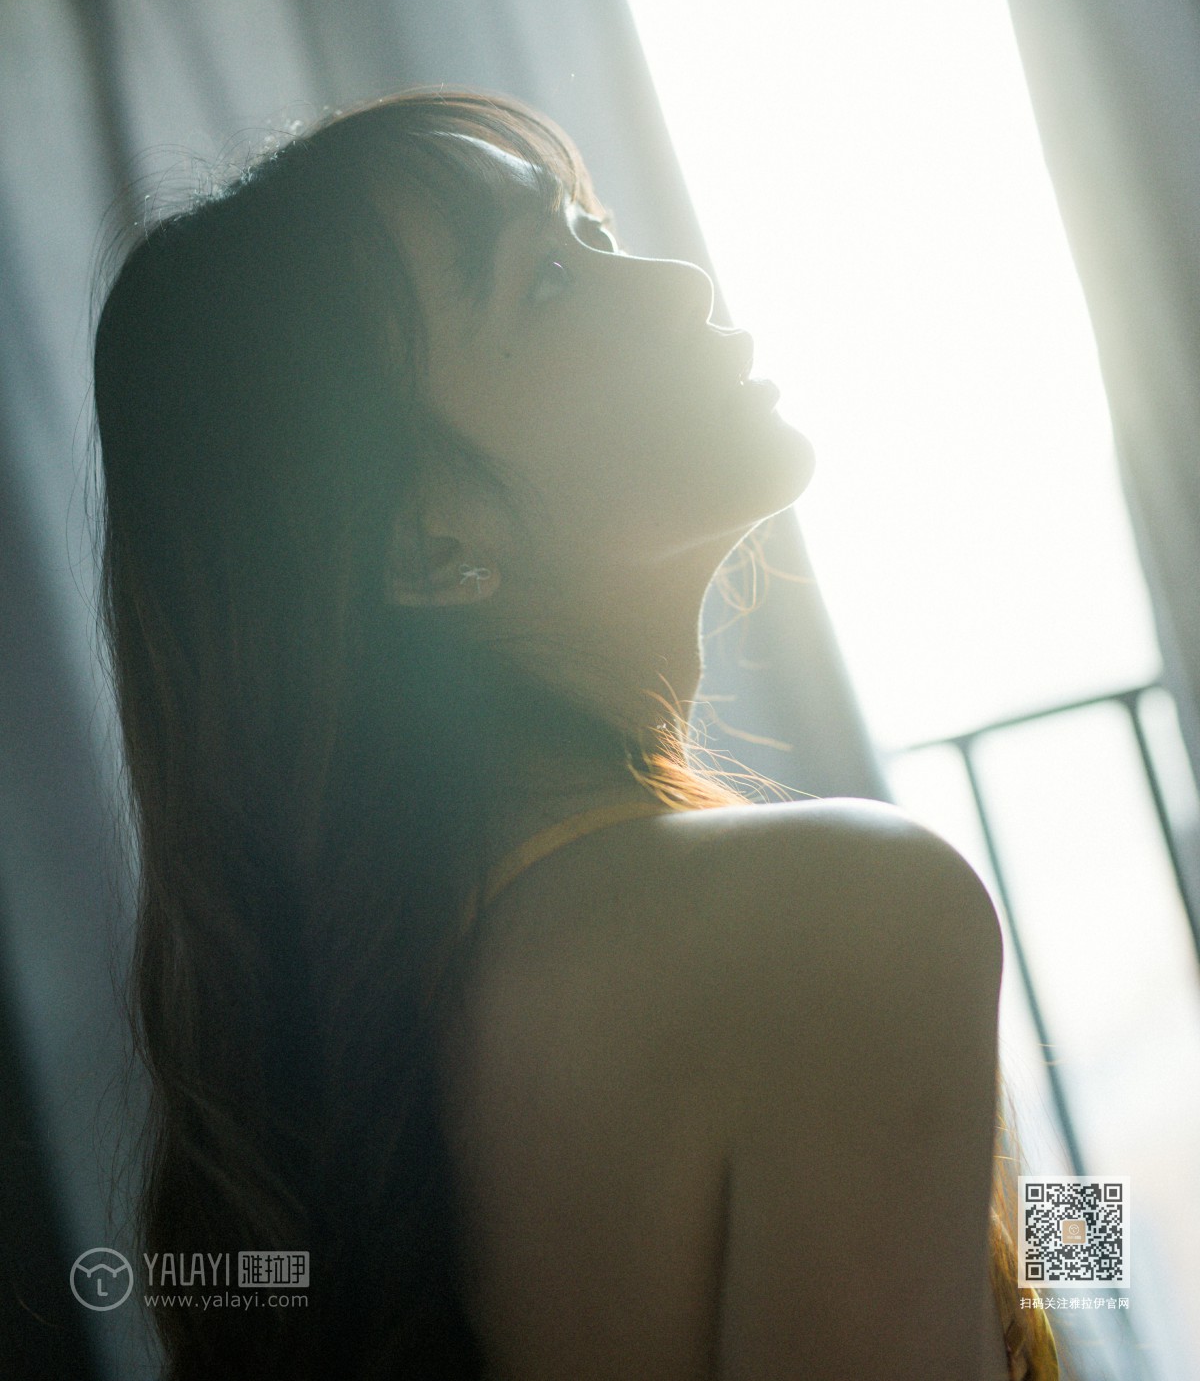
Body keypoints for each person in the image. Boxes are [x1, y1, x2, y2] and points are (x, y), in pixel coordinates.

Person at [90, 87, 1059, 1380]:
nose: (676, 283)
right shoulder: (839, 915)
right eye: (545, 280)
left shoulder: (380, 1026)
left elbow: (1003, 1275)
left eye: (592, 233)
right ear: (426, 542)